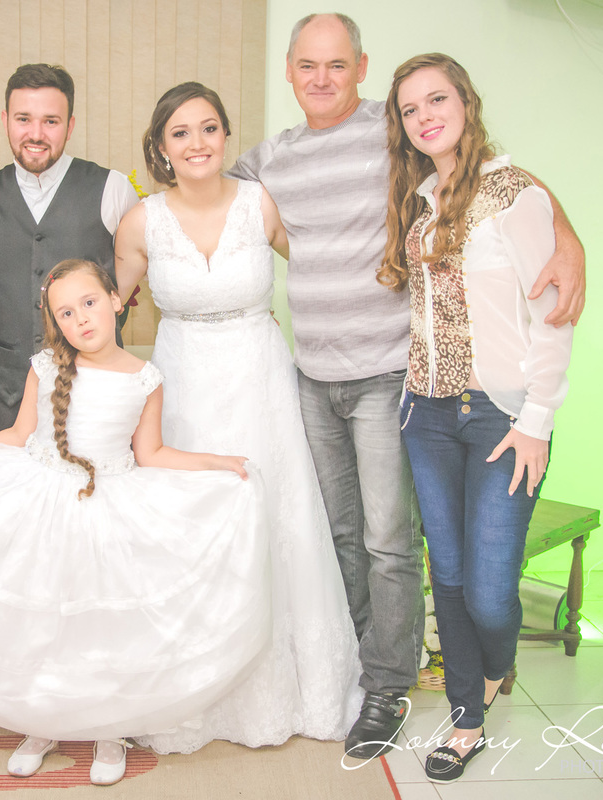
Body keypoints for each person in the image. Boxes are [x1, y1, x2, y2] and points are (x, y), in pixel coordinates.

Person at [227, 12, 587, 758]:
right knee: (344, 538)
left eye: (337, 64)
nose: (321, 78)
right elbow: (204, 186)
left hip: (394, 377)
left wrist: (568, 237)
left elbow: (497, 179)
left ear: (361, 68)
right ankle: (367, 671)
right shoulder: (275, 158)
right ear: (288, 72)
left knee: (392, 544)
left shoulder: (391, 131)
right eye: (306, 66)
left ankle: (391, 686)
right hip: (315, 377)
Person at [0, 259, 269, 786]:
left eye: (89, 303)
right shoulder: (45, 367)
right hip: (40, 505)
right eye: (65, 312)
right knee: (42, 619)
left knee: (104, 625)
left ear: (115, 300)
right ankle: (42, 722)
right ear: (55, 323)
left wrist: (216, 463)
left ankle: (111, 729)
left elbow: (151, 454)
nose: (81, 318)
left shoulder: (145, 379)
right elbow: (16, 435)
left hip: (110, 510)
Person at [114, 82, 364, 754]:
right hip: (183, 388)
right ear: (160, 148)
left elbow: (324, 268)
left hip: (261, 380)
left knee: (278, 516)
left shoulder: (261, 203)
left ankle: (299, 688)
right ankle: (189, 689)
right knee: (191, 528)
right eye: (180, 132)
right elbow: (108, 311)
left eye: (209, 128)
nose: (197, 143)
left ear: (226, 135)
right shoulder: (140, 223)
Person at [382, 53, 573, 783]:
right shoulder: (421, 199)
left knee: (491, 593)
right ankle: (467, 720)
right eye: (410, 109)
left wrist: (538, 420)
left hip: (501, 417)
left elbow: (553, 312)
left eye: (437, 99)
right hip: (427, 414)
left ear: (466, 102)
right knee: (451, 576)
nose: (425, 116)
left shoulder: (516, 193)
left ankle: (495, 667)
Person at [0, 63, 139, 432]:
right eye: (23, 119)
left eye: (50, 121)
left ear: (70, 125)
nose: (36, 134)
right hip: (9, 386)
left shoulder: (113, 189)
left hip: (92, 387)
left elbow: (126, 283)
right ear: (5, 120)